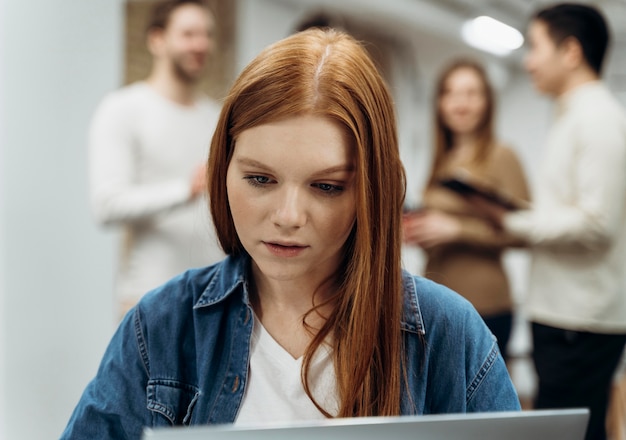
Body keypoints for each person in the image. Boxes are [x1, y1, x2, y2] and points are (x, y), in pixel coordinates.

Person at [61, 28, 520, 439]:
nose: (288, 216)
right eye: (260, 179)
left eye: (326, 187)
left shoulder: (449, 336)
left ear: (371, 191)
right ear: (223, 171)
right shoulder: (160, 326)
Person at [468, 4, 626, 440]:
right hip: (566, 312)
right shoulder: (574, 115)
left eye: (535, 47)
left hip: (580, 318)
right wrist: (515, 213)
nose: (529, 61)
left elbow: (597, 224)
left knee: (573, 431)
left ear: (571, 51)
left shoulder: (597, 120)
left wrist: (512, 223)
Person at [88, 0, 224, 317]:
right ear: (156, 40)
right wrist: (185, 190)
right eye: (189, 34)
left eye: (207, 34)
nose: (201, 44)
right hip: (149, 300)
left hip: (214, 300)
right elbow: (106, 204)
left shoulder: (216, 119)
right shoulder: (123, 108)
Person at [402, 59, 530, 360]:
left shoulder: (501, 155)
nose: (461, 103)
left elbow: (523, 230)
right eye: (451, 93)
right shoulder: (443, 158)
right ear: (440, 102)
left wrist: (457, 230)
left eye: (471, 93)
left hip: (484, 304)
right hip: (438, 299)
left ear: (487, 102)